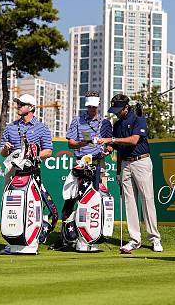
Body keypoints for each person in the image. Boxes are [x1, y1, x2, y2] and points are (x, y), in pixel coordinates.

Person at [98, 94, 163, 254]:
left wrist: (111, 140)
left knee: (147, 200)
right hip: (126, 163)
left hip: (141, 161)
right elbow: (117, 148)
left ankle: (155, 239)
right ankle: (135, 240)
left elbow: (134, 140)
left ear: (126, 107)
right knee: (129, 203)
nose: (117, 113)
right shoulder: (117, 124)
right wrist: (117, 167)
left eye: (119, 110)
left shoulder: (138, 118)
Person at [51, 90, 112, 250]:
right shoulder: (77, 121)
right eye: (89, 106)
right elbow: (70, 143)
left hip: (99, 163)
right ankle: (68, 236)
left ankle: (94, 236)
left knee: (98, 200)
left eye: (94, 106)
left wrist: (108, 150)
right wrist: (83, 143)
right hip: (80, 163)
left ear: (98, 105)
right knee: (72, 199)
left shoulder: (105, 123)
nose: (91, 109)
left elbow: (110, 144)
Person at [0, 93, 54, 254]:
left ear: (31, 108)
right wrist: (6, 148)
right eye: (18, 104)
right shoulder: (10, 127)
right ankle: (13, 240)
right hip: (13, 170)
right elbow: (2, 153)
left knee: (33, 204)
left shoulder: (42, 128)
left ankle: (32, 238)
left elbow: (48, 151)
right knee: (11, 205)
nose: (18, 106)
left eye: (22, 104)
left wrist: (34, 155)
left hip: (32, 169)